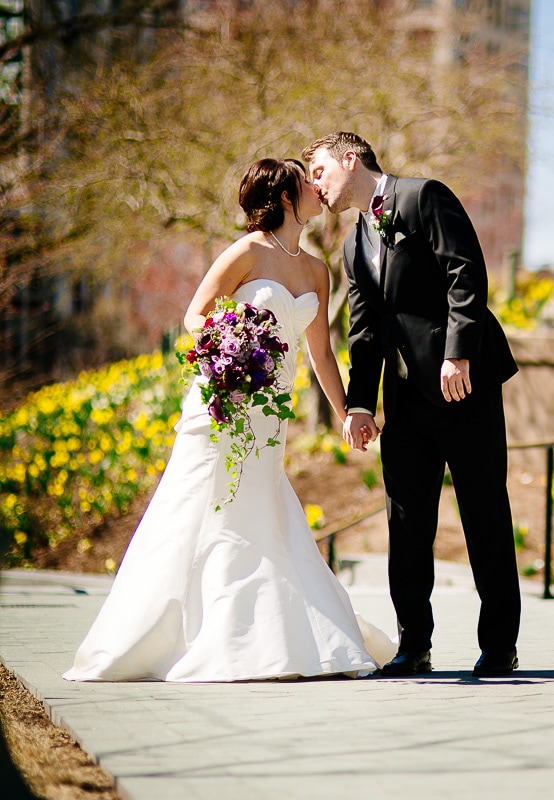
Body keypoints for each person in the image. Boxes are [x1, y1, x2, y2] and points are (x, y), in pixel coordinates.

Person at [64, 159, 392, 682]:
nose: (316, 188)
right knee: (197, 505)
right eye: (307, 182)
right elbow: (195, 316)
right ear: (286, 197)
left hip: (271, 417)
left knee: (259, 512)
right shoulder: (246, 252)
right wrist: (235, 343)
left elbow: (321, 354)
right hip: (224, 402)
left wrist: (348, 411)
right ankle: (169, 637)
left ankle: (271, 635)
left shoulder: (315, 271)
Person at [303, 132, 521, 678]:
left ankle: (499, 646)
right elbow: (364, 330)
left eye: (321, 170)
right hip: (405, 404)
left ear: (351, 159)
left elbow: (465, 272)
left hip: (463, 386)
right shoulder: (353, 245)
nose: (316, 184)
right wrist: (358, 405)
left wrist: (459, 354)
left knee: (484, 515)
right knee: (407, 523)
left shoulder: (423, 197)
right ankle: (413, 645)